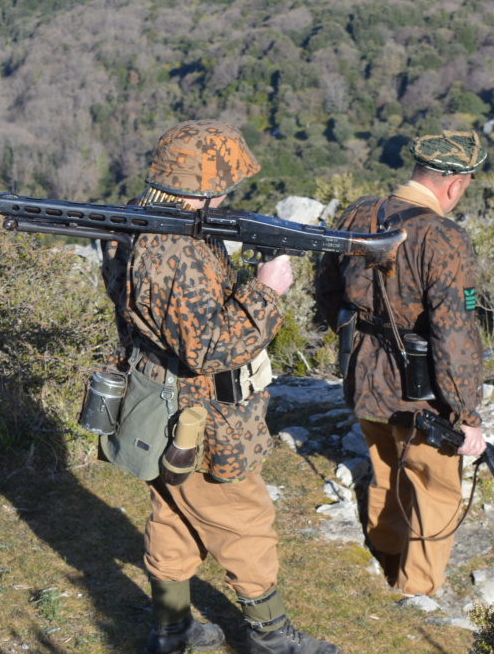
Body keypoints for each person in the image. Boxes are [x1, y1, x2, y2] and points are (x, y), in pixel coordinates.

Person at [100, 120, 340, 654]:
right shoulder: (174, 252)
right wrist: (266, 291)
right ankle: (272, 640)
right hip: (201, 417)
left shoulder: (143, 223)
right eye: (223, 189)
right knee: (245, 521)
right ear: (202, 189)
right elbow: (209, 349)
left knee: (173, 512)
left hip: (161, 405)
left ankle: (173, 632)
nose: (228, 196)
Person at [313, 129, 488, 599]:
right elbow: (454, 334)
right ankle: (416, 593)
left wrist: (357, 341)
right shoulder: (443, 236)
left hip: (363, 374)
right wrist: (466, 416)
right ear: (455, 185)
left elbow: (327, 290)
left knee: (385, 468)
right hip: (421, 391)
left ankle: (383, 561)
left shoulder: (358, 212)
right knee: (435, 491)